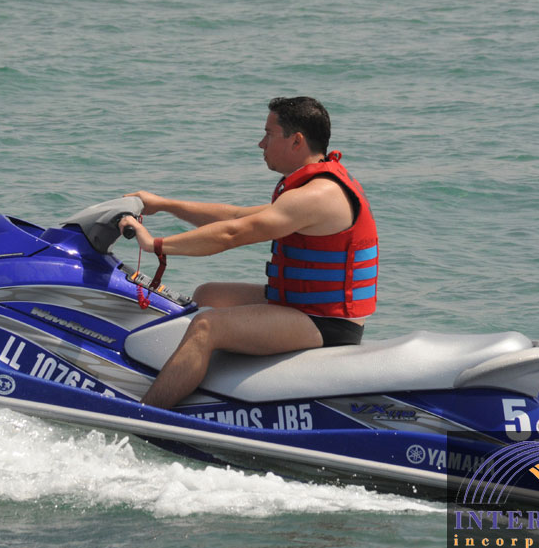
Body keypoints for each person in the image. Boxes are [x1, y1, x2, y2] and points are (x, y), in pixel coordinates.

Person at [118, 96, 378, 409]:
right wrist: (163, 204)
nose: (260, 143)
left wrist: (155, 245)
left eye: (269, 134)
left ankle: (148, 415)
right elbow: (236, 216)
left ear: (296, 141)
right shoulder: (312, 186)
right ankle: (200, 386)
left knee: (207, 325)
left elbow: (232, 234)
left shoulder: (317, 195)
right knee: (209, 294)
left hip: (324, 322)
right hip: (301, 303)